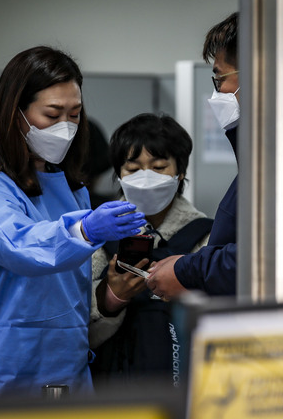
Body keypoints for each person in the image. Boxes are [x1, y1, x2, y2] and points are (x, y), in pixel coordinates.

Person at [0, 46, 147, 400]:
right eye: (53, 114)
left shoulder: (70, 189)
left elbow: (68, 293)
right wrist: (84, 230)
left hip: (66, 367)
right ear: (16, 114)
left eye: (74, 114)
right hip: (4, 372)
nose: (66, 127)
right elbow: (19, 245)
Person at [88, 112, 212, 386]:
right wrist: (110, 298)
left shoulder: (205, 237)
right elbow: (68, 324)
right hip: (110, 393)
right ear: (119, 175)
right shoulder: (95, 234)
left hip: (182, 386)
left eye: (158, 167)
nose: (145, 178)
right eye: (132, 169)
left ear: (180, 173)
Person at [146, 12, 241, 299]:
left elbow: (267, 257)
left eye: (220, 78)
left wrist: (188, 270)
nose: (219, 92)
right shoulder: (261, 165)